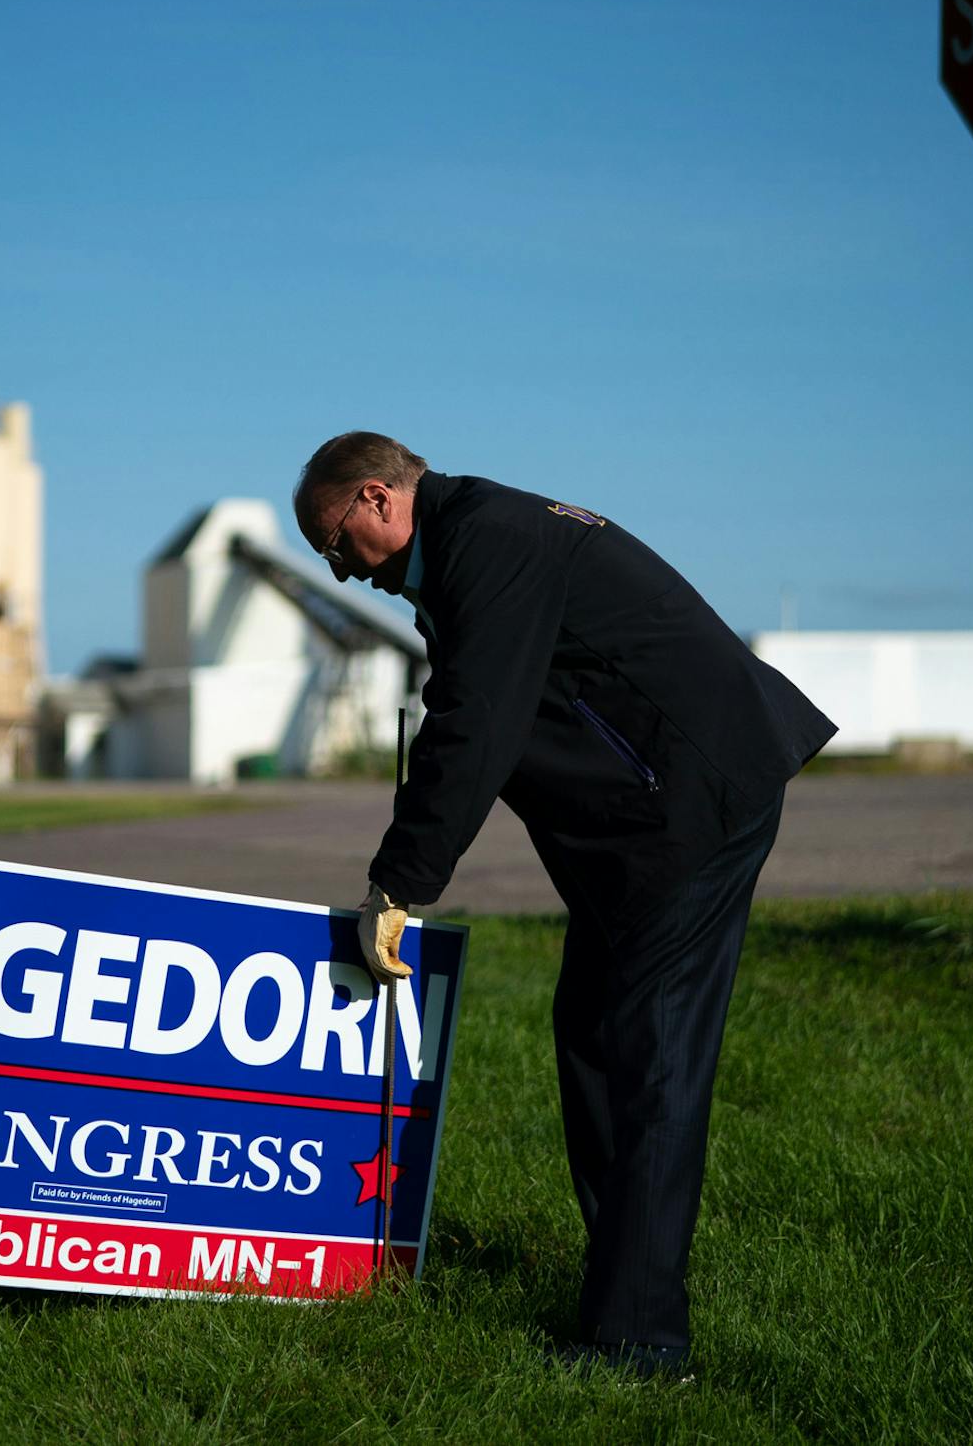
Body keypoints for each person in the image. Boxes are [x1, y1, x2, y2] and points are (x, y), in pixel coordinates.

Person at [295, 431, 834, 1376]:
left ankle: (642, 1342)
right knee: (593, 1035)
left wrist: (404, 879)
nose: (341, 573)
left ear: (378, 499)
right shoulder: (474, 543)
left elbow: (477, 721)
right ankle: (621, 1279)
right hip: (646, 827)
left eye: (337, 544)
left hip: (695, 805)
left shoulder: (489, 539)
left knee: (651, 1058)